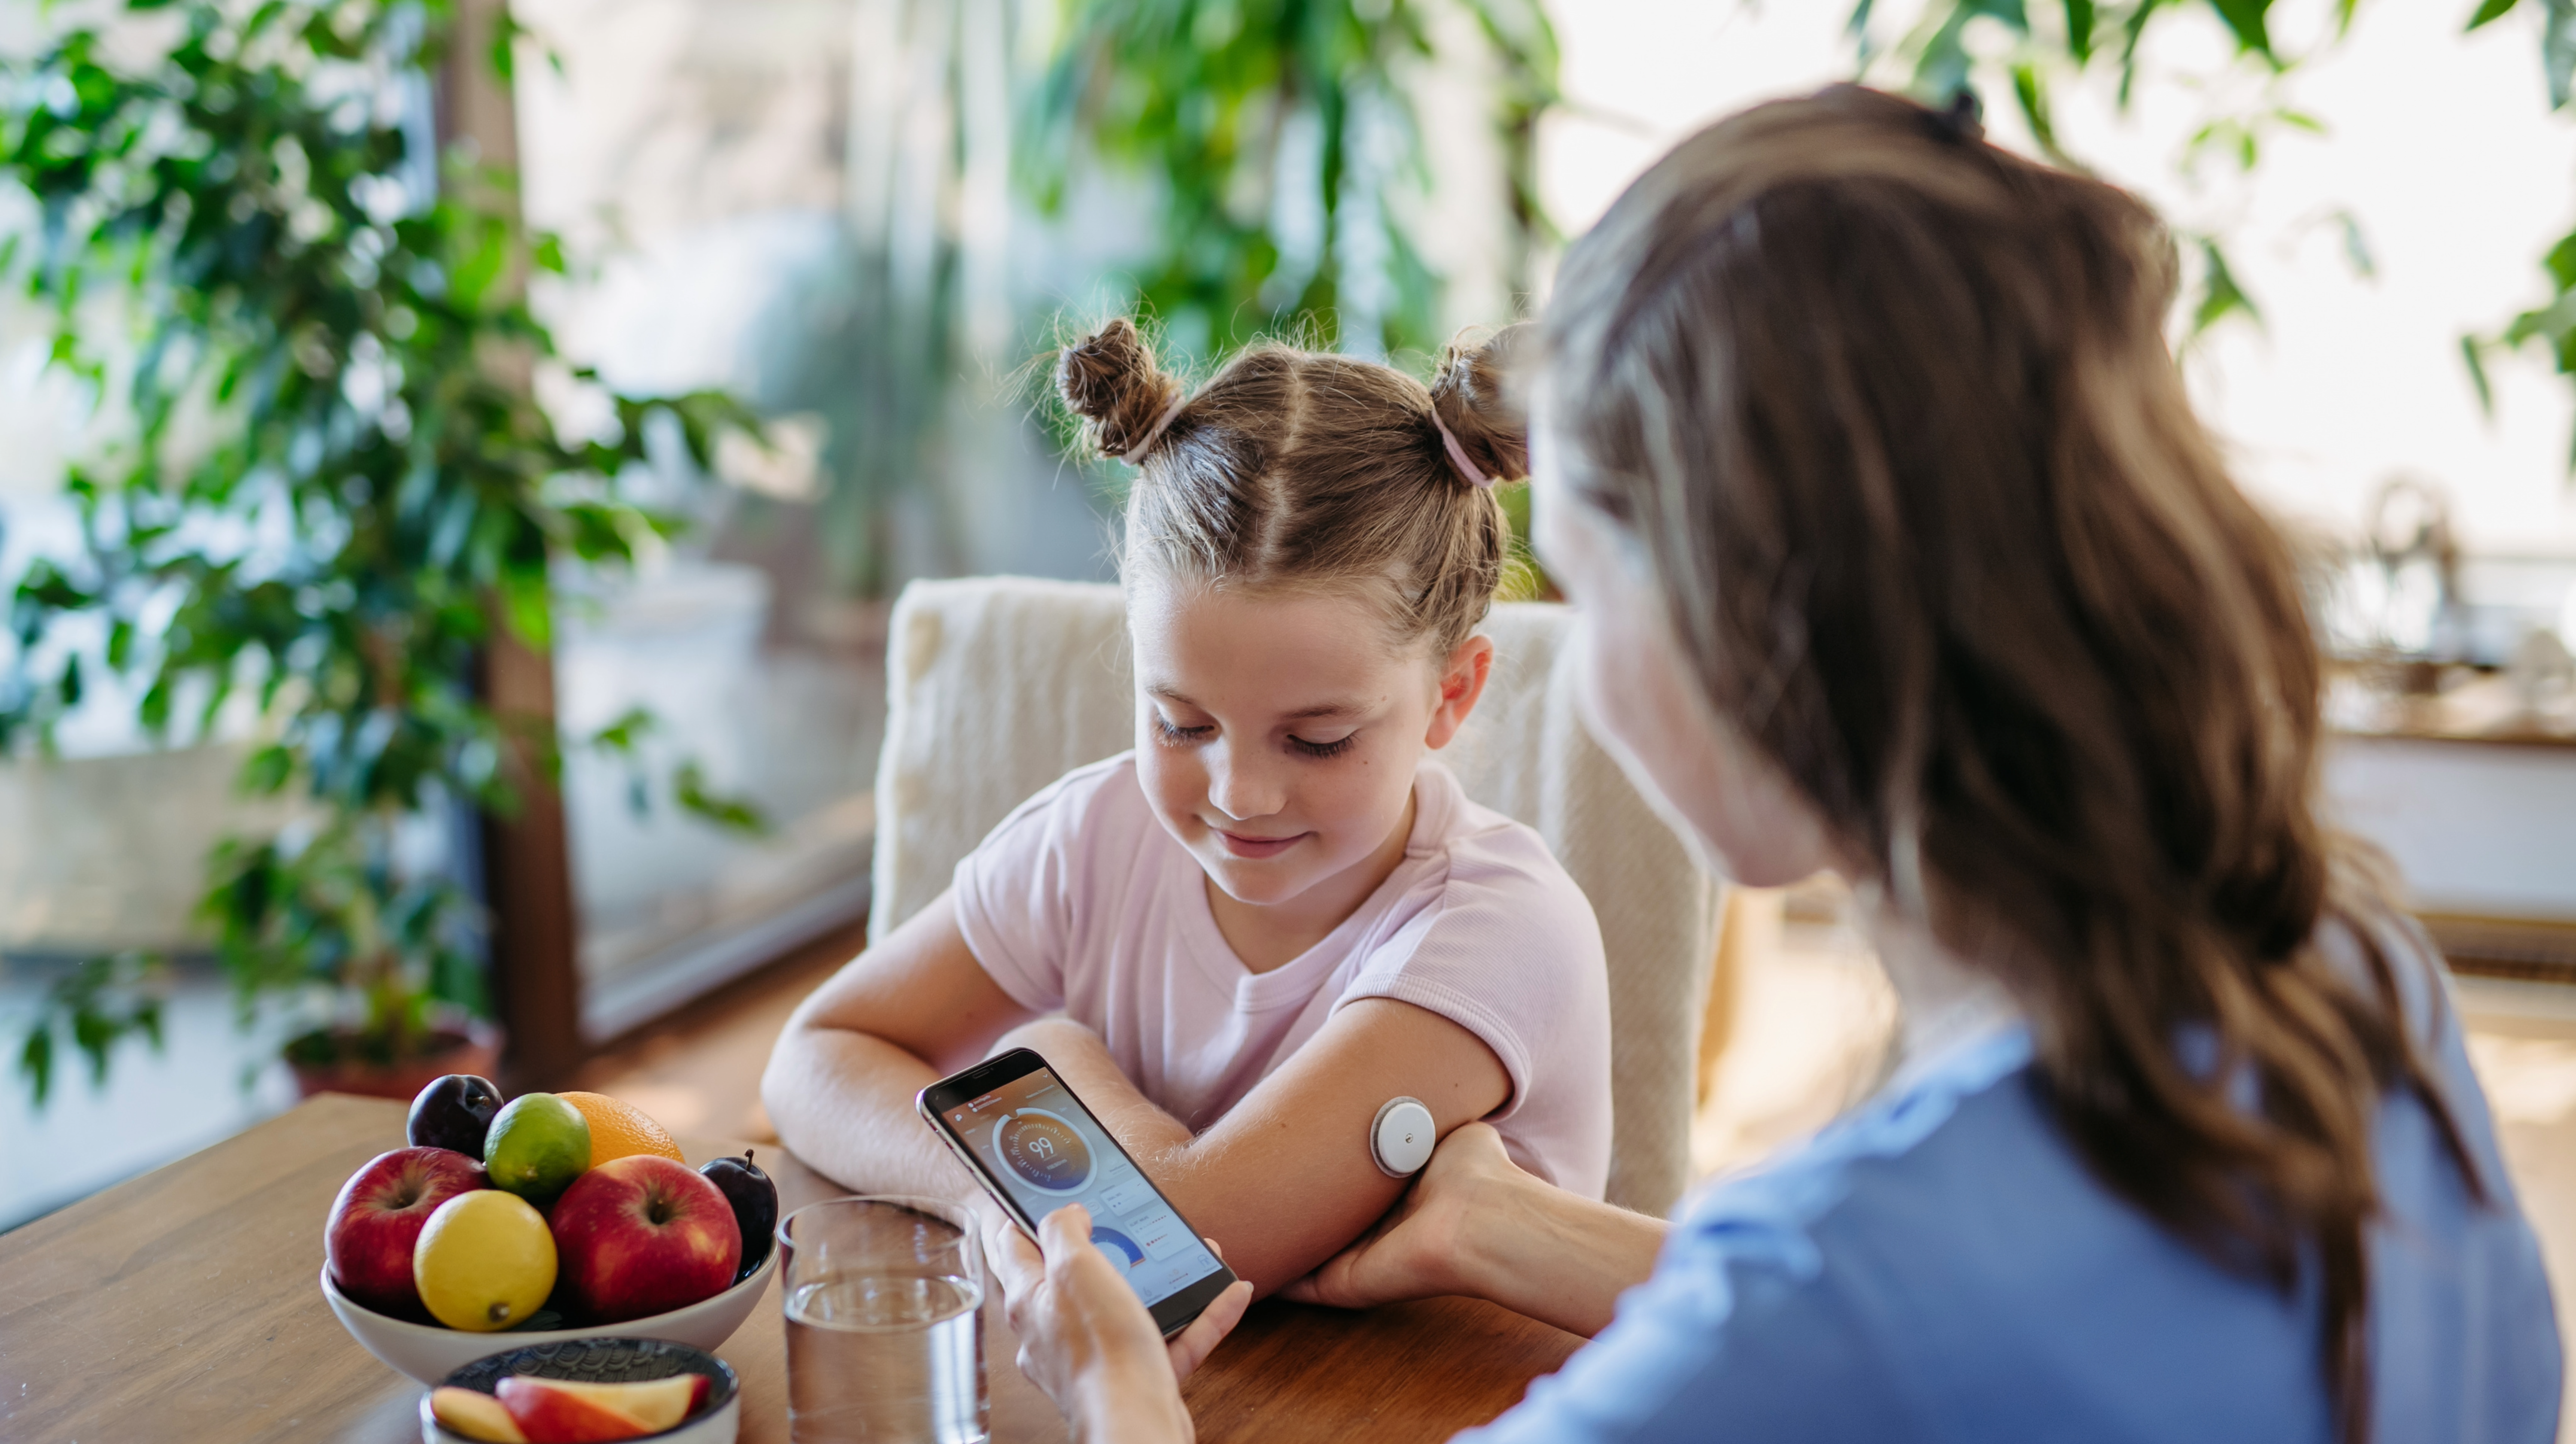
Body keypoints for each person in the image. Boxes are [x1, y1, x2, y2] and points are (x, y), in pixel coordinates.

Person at [982, 85, 2565, 1444]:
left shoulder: (1807, 1313)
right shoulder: (2354, 977)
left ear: (1755, 645)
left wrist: (1122, 1390)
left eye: (1594, 593)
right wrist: (1538, 1232)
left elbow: (1854, 1327)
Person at [762, 319, 1615, 1296]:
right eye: (1181, 723)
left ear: (1452, 695)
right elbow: (815, 1058)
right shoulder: (1092, 837)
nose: (1238, 794)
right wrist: (1004, 1190)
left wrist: (1058, 1068)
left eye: (1318, 738)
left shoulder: (1501, 930)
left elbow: (1199, 1246)